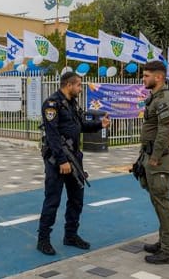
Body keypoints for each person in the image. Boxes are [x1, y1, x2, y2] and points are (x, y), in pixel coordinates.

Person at [37, 71, 111, 256]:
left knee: (76, 198)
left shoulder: (71, 103)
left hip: (75, 159)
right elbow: (52, 134)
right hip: (58, 160)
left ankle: (70, 235)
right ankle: (43, 240)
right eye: (78, 85)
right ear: (69, 85)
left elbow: (79, 126)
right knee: (53, 200)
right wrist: (62, 160)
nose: (80, 88)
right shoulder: (52, 104)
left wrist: (100, 125)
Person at [138, 60, 169, 264]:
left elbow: (165, 129)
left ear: (159, 77)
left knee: (163, 203)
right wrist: (142, 156)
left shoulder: (164, 98)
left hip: (159, 158)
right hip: (151, 156)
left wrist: (154, 157)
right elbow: (152, 128)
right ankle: (164, 243)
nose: (143, 79)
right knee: (157, 201)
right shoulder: (155, 97)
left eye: (146, 76)